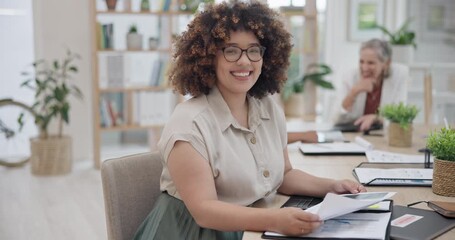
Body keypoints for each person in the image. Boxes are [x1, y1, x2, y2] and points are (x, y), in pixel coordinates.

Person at [134, 1, 366, 239]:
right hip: (193, 232)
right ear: (209, 57)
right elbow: (204, 211)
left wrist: (331, 186)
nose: (245, 61)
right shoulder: (189, 123)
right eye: (231, 50)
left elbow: (283, 176)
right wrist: (274, 220)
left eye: (254, 50)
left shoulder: (268, 107)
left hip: (249, 225)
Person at [332, 38, 409, 131]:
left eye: (371, 63)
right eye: (361, 61)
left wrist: (377, 118)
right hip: (355, 135)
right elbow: (335, 119)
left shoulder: (399, 74)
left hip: (384, 136)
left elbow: (400, 115)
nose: (364, 68)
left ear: (386, 63)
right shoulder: (350, 77)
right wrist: (354, 92)